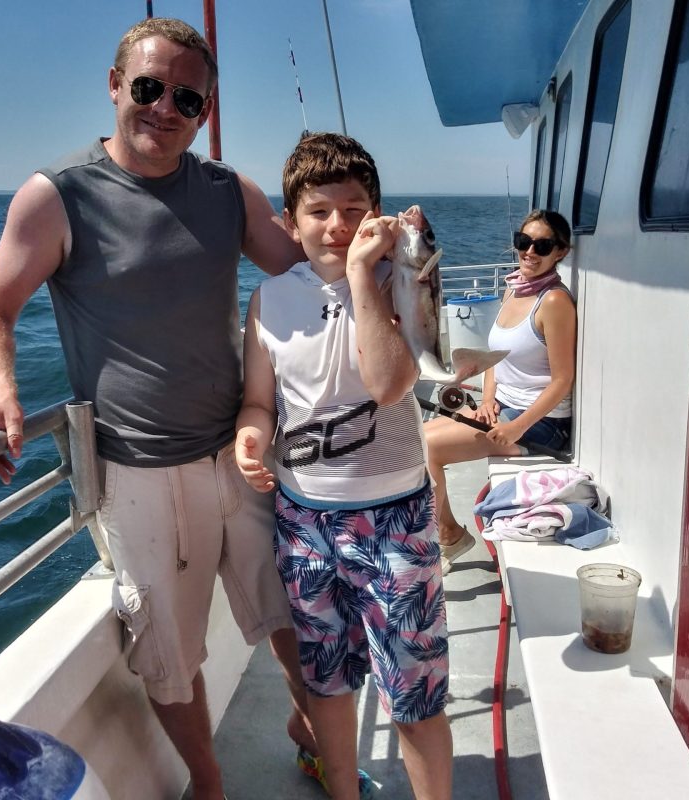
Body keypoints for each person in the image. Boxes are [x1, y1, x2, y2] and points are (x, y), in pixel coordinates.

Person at [0, 17, 318, 800]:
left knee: (295, 615)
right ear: (115, 84)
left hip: (244, 453)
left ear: (206, 111)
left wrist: (375, 243)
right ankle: (210, 784)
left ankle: (310, 726)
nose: (165, 108)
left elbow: (304, 270)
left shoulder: (228, 193)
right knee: (169, 657)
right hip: (137, 475)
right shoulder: (57, 197)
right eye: (150, 87)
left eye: (187, 98)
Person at [236, 132, 453, 800]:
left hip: (396, 520)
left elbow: (389, 384)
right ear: (289, 223)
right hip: (305, 522)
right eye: (319, 211)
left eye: (355, 209)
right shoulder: (269, 301)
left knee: (414, 694)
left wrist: (362, 274)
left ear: (377, 215)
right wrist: (250, 436)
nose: (337, 224)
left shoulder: (401, 278)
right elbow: (260, 400)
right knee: (325, 682)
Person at [424, 209, 576, 574]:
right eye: (523, 242)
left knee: (427, 446)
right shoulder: (513, 288)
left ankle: (447, 535)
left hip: (541, 425)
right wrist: (488, 399)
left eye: (542, 246)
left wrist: (517, 427)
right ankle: (447, 531)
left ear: (561, 252)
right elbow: (496, 357)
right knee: (417, 436)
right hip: (504, 406)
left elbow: (562, 380)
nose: (529, 252)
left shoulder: (553, 302)